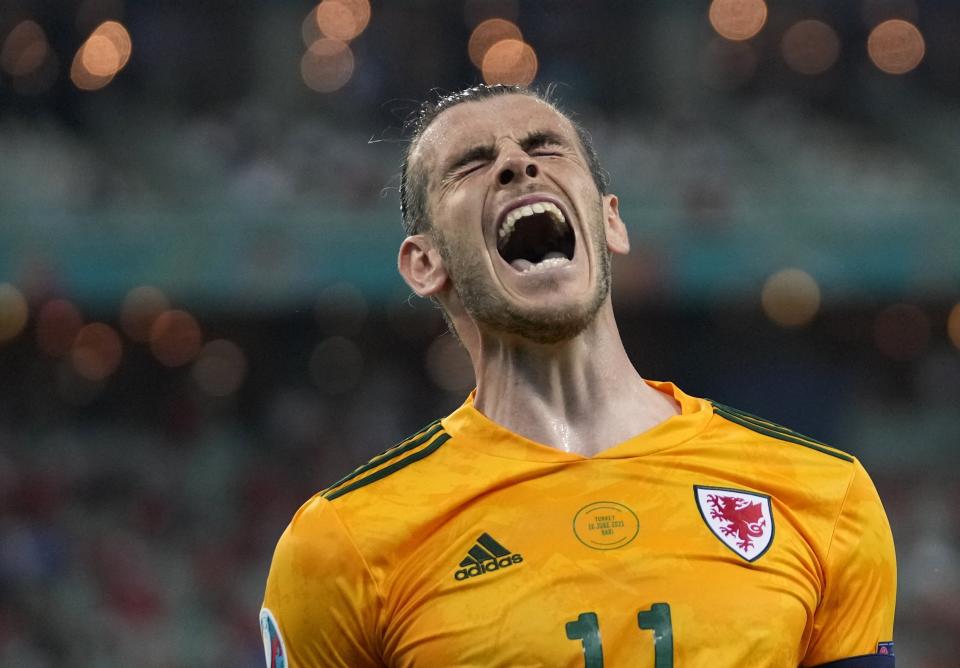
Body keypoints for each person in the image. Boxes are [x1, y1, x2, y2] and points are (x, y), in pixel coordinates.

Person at [260, 84, 896, 667]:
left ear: (611, 221)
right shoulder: (342, 543)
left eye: (546, 148)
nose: (518, 164)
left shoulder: (823, 496)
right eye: (473, 163)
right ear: (425, 263)